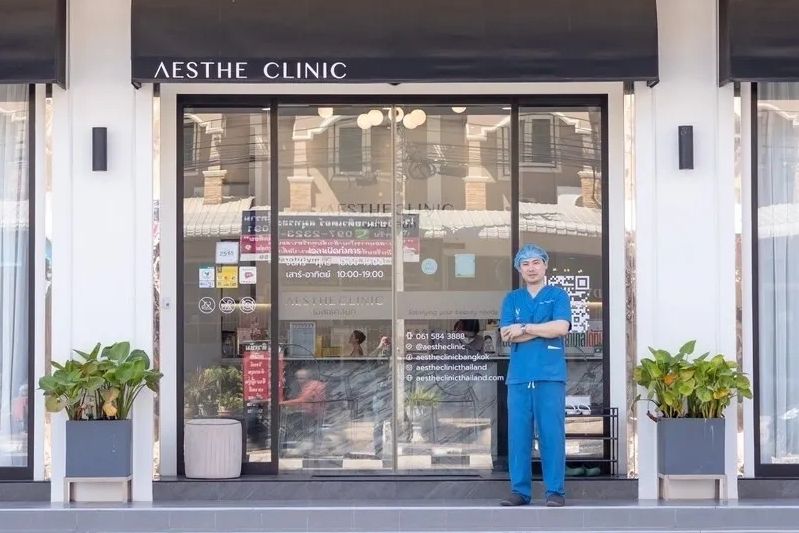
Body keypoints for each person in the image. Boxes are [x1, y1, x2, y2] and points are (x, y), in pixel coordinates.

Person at [498, 244, 572, 508]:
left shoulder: (558, 295)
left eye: (536, 262)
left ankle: (555, 491)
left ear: (545, 265)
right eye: (525, 264)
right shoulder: (512, 299)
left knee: (552, 434)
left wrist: (525, 328)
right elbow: (506, 334)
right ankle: (520, 491)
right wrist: (540, 329)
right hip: (519, 377)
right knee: (518, 436)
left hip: (549, 376)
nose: (531, 268)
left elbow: (560, 327)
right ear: (519, 269)